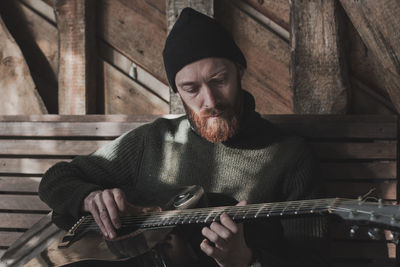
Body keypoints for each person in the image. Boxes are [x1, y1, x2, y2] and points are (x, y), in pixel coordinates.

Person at [39, 7, 328, 267]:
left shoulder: (291, 156)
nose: (210, 101)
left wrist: (246, 261)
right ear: (178, 93)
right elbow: (56, 179)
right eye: (191, 89)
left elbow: (312, 260)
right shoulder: (153, 141)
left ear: (239, 71)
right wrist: (89, 199)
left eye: (219, 81)